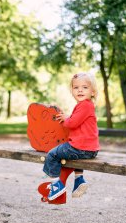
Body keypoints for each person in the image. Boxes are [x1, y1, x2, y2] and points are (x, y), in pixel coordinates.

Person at [43, 72, 100, 200]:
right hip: (90, 150)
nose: (80, 90)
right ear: (72, 91)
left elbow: (72, 123)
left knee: (52, 154)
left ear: (93, 92)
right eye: (76, 87)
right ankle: (79, 179)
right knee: (75, 156)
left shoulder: (84, 105)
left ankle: (56, 185)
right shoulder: (87, 106)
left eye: (85, 87)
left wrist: (65, 120)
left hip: (80, 148)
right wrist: (68, 118)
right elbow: (77, 120)